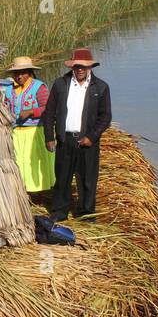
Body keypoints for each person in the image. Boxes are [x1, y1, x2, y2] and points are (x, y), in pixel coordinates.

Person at [41, 48, 111, 221]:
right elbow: (49, 113)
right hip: (65, 140)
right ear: (72, 66)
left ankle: (86, 214)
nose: (80, 69)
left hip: (87, 141)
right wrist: (49, 136)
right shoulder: (60, 84)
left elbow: (105, 116)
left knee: (87, 180)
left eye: (83, 66)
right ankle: (59, 212)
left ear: (90, 67)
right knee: (62, 178)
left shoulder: (100, 87)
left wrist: (92, 137)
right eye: (77, 66)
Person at [0, 56, 55, 193]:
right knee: (20, 163)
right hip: (16, 132)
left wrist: (31, 111)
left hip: (34, 132)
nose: (19, 76)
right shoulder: (9, 89)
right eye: (16, 73)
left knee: (34, 162)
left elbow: (48, 108)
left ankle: (39, 193)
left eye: (23, 72)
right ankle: (23, 191)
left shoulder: (38, 87)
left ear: (29, 72)